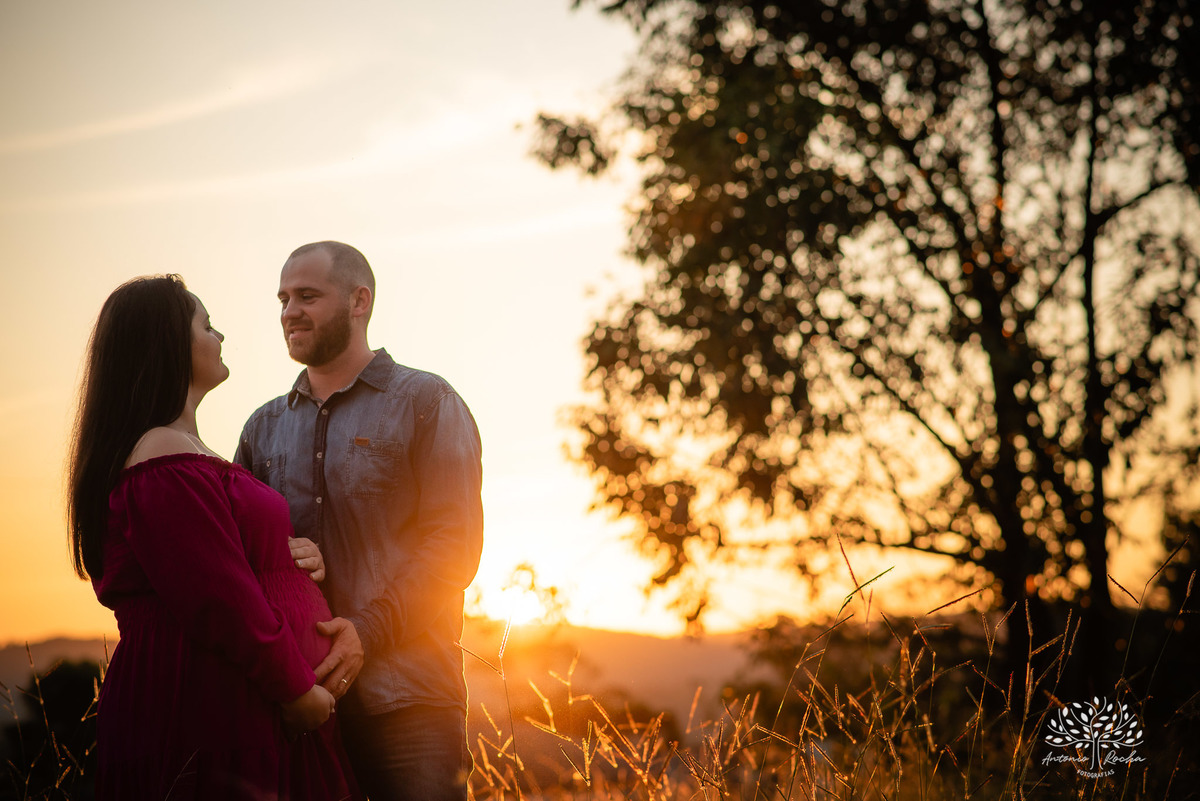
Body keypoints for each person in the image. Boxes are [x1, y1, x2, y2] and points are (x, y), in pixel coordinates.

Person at [68, 275, 361, 800]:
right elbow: (217, 596)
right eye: (206, 324)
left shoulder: (184, 448)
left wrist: (290, 557)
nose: (220, 335)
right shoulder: (160, 454)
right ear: (166, 343)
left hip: (245, 700)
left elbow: (218, 560)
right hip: (212, 704)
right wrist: (295, 689)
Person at [235, 241, 484, 801]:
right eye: (282, 299)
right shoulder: (262, 428)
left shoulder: (427, 402)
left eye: (307, 296)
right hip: (298, 702)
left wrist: (365, 632)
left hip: (411, 700)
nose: (289, 311)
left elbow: (455, 545)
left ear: (359, 301)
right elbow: (237, 553)